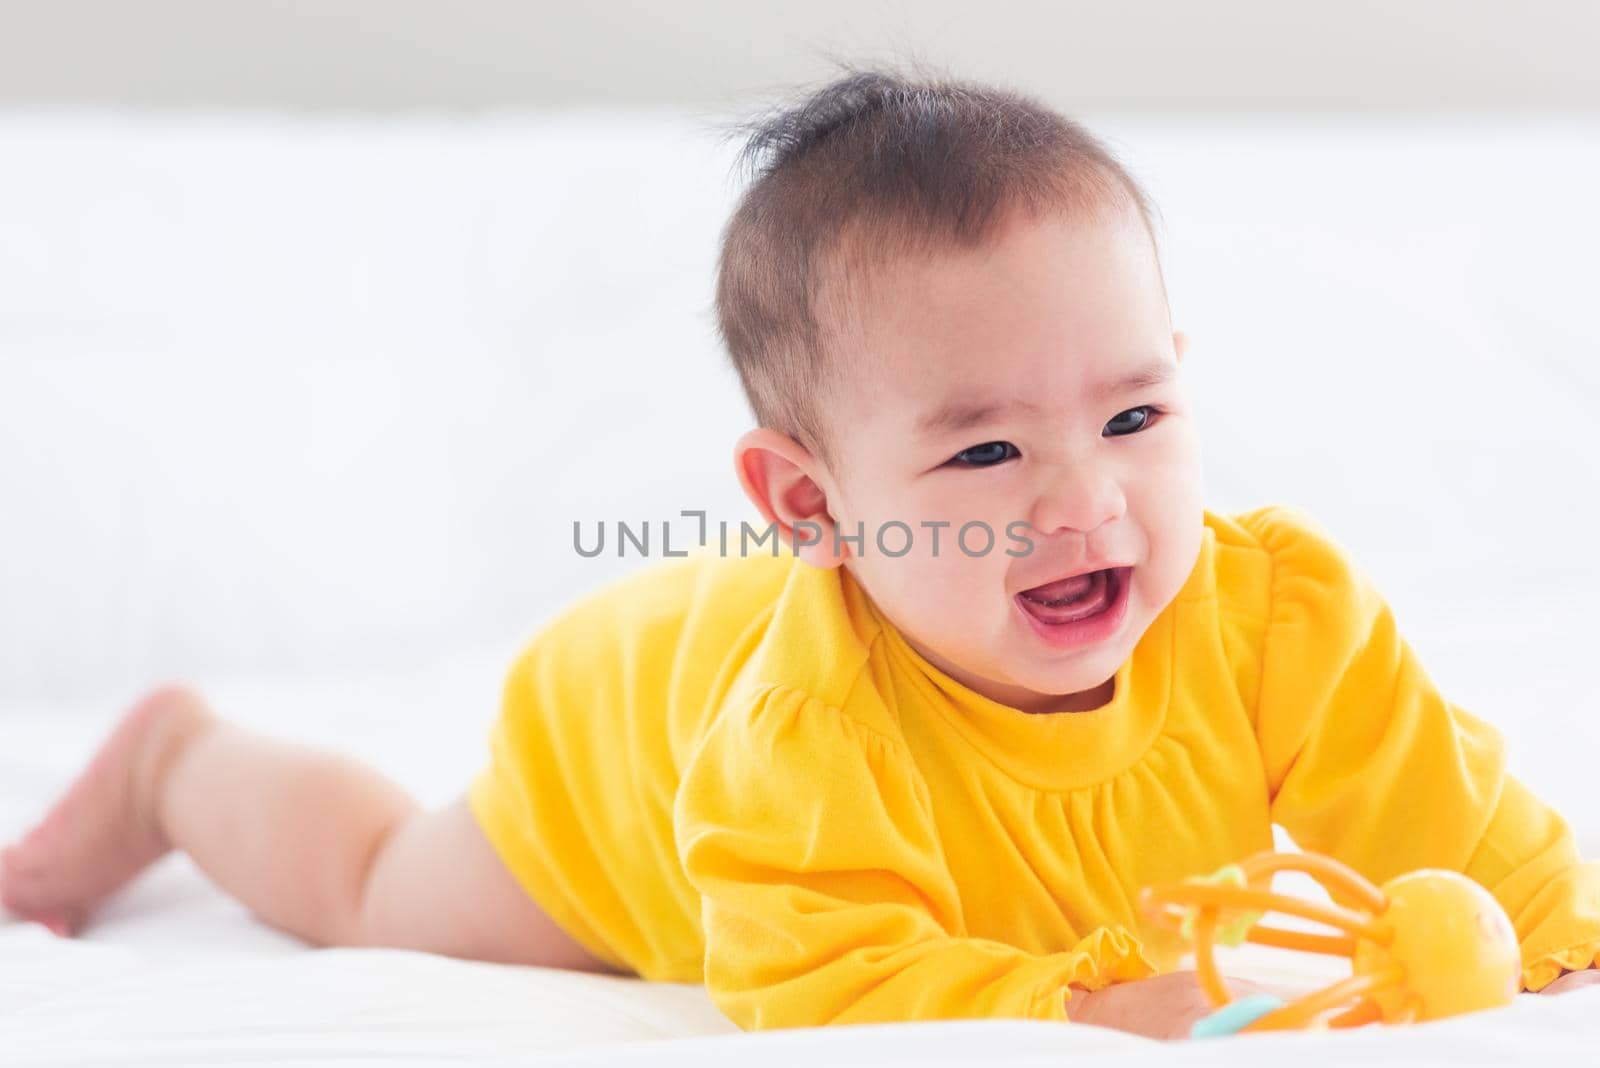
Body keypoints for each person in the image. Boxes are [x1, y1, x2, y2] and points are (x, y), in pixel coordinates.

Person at [5, 63, 1598, 1040]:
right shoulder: (808, 740)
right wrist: (1074, 1007)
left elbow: (1447, 815)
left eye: (1134, 417)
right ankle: (176, 765)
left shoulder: (1282, 615)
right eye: (984, 450)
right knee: (380, 893)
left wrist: (1559, 932)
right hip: (622, 745)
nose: (1080, 501)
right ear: (814, 508)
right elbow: (819, 978)